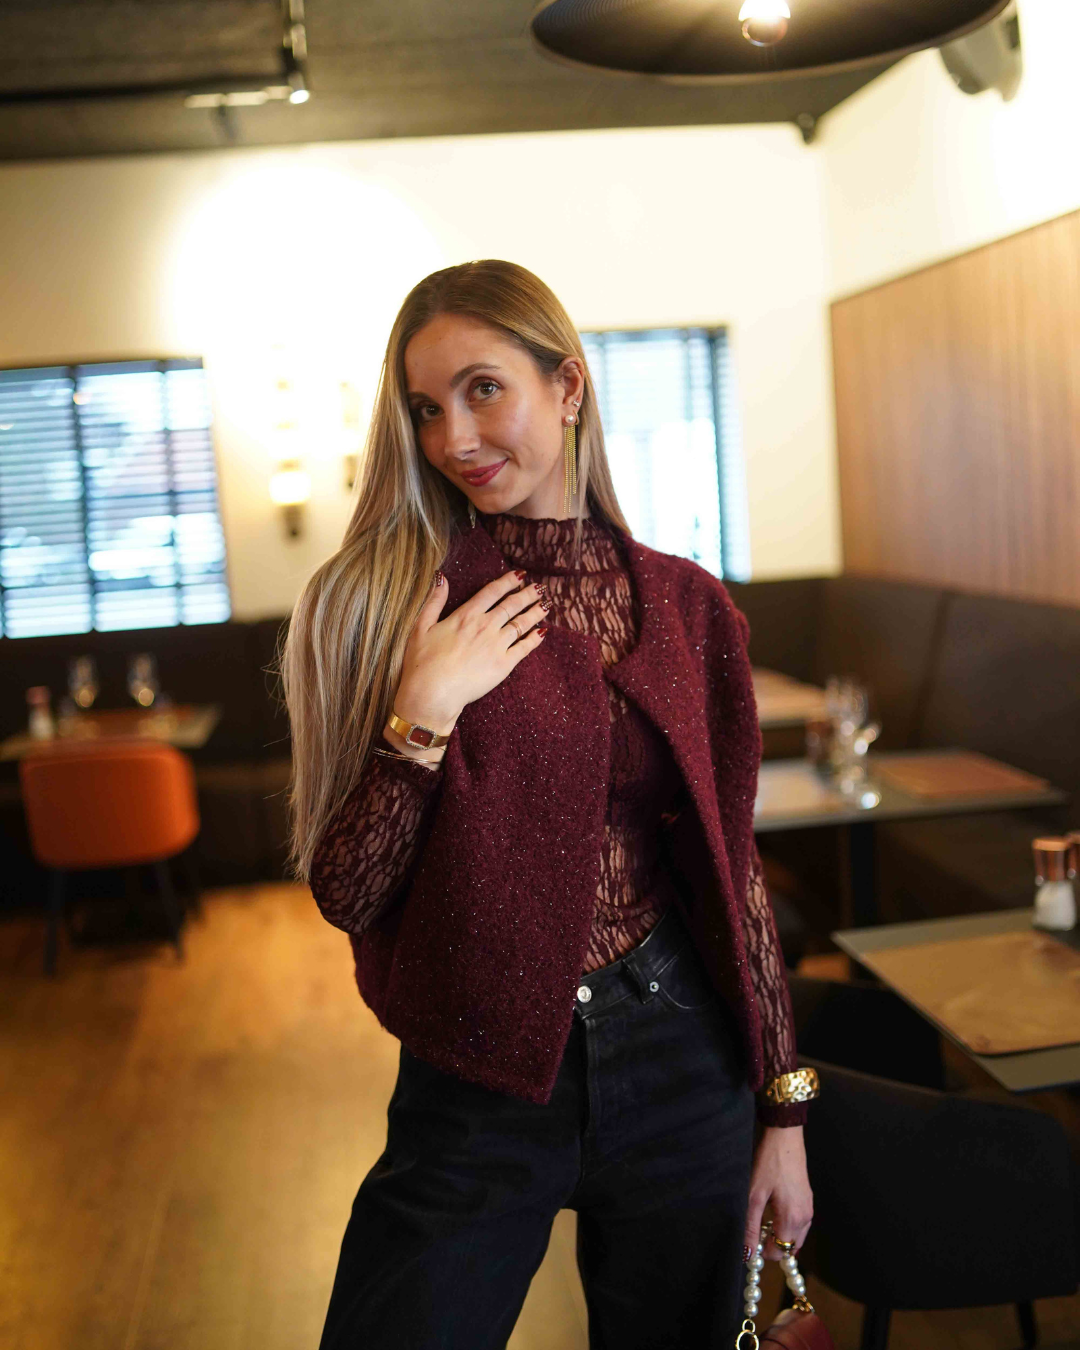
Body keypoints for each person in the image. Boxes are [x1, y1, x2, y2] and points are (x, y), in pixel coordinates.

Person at [279, 259, 816, 1349]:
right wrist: (424, 710)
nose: (454, 438)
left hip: (680, 1056)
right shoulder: (381, 598)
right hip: (474, 1074)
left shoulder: (689, 608)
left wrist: (784, 1109)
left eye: (483, 390)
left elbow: (733, 876)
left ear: (567, 386)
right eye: (426, 409)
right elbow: (347, 891)